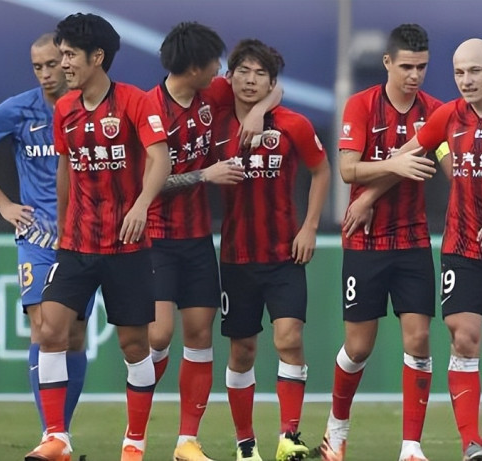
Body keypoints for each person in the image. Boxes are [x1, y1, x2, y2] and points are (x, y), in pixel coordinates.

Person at [347, 38, 482, 461]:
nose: (466, 80)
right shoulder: (447, 116)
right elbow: (404, 156)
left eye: (474, 71)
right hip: (462, 247)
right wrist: (367, 197)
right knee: (463, 336)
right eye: (459, 72)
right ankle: (471, 444)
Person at [23, 13, 171, 461]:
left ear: (97, 57)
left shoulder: (135, 102)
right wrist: (62, 228)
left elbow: (160, 158)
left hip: (127, 247)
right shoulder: (65, 109)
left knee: (134, 346)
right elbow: (65, 170)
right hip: (76, 246)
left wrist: (141, 205)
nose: (63, 64)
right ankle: (56, 438)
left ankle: (134, 443)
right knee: (50, 331)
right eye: (61, 55)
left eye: (70, 55)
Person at [145, 22, 280, 461]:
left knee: (200, 335)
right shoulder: (150, 108)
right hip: (156, 237)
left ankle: (187, 441)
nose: (223, 72)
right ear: (194, 67)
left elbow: (273, 88)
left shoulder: (211, 95)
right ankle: (135, 430)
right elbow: (148, 184)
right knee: (159, 335)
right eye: (214, 64)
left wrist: (259, 111)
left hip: (198, 238)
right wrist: (205, 174)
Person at [318, 24, 447, 461]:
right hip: (365, 240)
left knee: (419, 339)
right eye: (407, 66)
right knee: (358, 347)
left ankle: (411, 447)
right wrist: (394, 166)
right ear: (388, 62)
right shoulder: (361, 105)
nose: (415, 75)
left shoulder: (435, 112)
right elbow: (347, 170)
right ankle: (336, 430)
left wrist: (370, 194)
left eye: (422, 67)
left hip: (412, 239)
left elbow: (439, 158)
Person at [0, 32, 93, 446]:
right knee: (44, 329)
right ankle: (51, 433)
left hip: (84, 236)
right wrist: (3, 204)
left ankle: (61, 431)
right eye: (38, 67)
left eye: (52, 64)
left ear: (68, 61)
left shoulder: (90, 109)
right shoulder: (17, 109)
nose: (46, 74)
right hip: (36, 236)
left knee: (74, 336)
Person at [212, 39, 330, 461]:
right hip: (236, 257)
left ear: (272, 82)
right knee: (242, 350)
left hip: (284, 254)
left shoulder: (293, 124)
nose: (250, 80)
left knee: (289, 339)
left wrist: (310, 227)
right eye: (243, 71)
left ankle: (289, 437)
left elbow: (321, 171)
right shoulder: (215, 124)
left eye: (260, 74)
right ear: (230, 77)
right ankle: (245, 444)